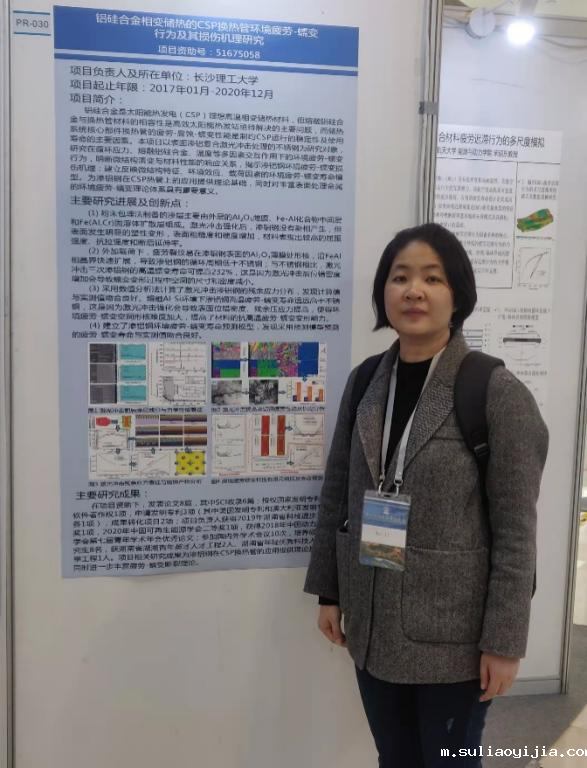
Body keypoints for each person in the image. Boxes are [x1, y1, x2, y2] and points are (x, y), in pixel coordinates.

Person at [303, 223, 549, 767]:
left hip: (453, 642)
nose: (414, 291)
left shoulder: (496, 392)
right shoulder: (366, 382)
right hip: (372, 626)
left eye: (432, 278)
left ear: (457, 295)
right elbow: (337, 492)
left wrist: (505, 643)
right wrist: (328, 592)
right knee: (394, 759)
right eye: (400, 277)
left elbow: (517, 534)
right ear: (383, 294)